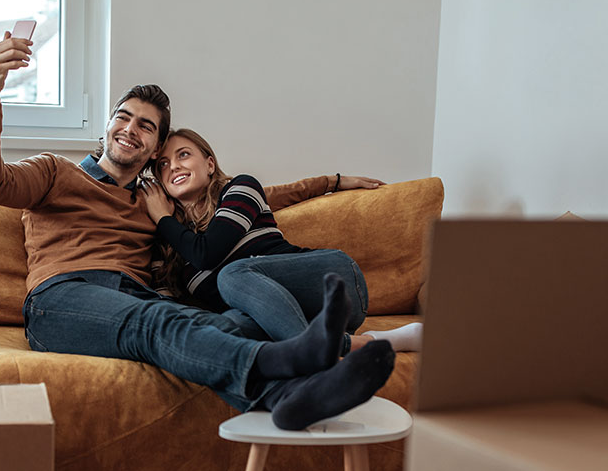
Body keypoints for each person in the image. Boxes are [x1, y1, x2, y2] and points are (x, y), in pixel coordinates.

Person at [0, 30, 397, 430]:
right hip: (62, 299)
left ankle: (291, 400)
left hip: (135, 296)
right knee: (153, 320)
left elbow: (237, 192)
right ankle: (300, 357)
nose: (131, 130)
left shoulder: (154, 205)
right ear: (108, 126)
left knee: (226, 325)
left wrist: (331, 183)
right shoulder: (54, 173)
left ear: (156, 149)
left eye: (146, 127)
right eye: (124, 117)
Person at [140, 129, 423, 354]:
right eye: (163, 164)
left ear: (210, 164)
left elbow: (208, 254)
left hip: (329, 285)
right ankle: (350, 346)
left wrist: (162, 218)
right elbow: (168, 304)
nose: (173, 166)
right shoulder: (169, 244)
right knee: (227, 326)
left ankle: (314, 351)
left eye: (183, 155)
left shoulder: (240, 189)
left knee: (232, 274)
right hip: (270, 318)